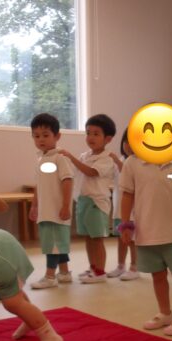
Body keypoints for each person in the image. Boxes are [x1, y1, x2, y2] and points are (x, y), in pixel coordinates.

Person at [119, 141, 172, 337]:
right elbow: (127, 194)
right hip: (147, 231)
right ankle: (165, 313)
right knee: (157, 275)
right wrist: (125, 224)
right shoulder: (132, 163)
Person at [61, 114, 116, 284]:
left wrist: (71, 157)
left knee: (97, 238)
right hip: (83, 200)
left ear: (108, 139)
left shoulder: (107, 158)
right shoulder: (85, 155)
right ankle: (93, 268)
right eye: (88, 133)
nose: (90, 137)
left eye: (96, 134)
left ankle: (100, 272)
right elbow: (75, 171)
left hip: (96, 202)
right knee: (88, 237)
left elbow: (91, 172)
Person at [28, 113, 75, 289]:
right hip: (45, 211)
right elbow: (38, 185)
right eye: (36, 136)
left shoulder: (60, 157)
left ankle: (50, 276)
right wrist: (34, 205)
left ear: (57, 136)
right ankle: (64, 273)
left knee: (53, 244)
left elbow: (67, 180)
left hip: (56, 211)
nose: (41, 139)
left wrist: (65, 206)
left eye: (45, 135)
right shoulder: (41, 158)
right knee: (57, 242)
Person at [105, 130, 139, 281]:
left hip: (133, 210)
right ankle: (120, 266)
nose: (128, 146)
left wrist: (115, 161)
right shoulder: (122, 159)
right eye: (126, 142)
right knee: (121, 238)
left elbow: (124, 170)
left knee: (132, 240)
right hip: (119, 207)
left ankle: (134, 267)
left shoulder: (137, 162)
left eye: (133, 142)